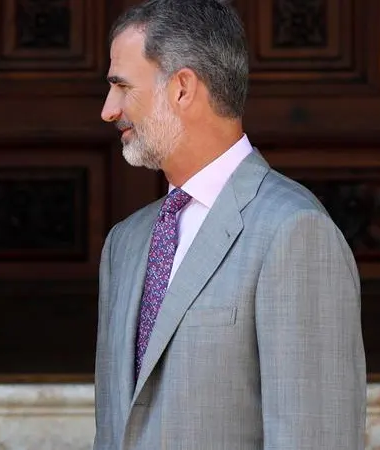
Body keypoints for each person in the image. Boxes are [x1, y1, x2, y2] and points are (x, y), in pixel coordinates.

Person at [93, 0, 366, 449]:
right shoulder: (124, 243)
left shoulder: (293, 231)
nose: (108, 109)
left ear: (182, 88)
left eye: (122, 87)